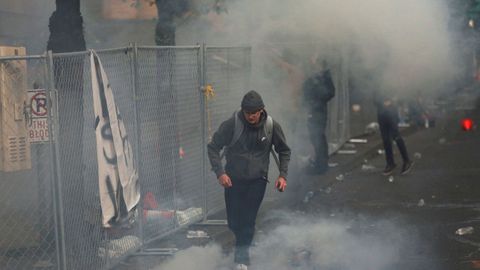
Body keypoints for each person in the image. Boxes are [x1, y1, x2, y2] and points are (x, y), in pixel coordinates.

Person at [207, 90, 291, 269]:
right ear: (242, 111)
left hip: (257, 180)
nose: (251, 117)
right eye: (247, 113)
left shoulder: (271, 126)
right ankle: (242, 245)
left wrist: (282, 175)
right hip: (233, 180)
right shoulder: (232, 124)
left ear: (261, 110)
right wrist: (220, 173)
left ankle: (242, 259)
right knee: (234, 222)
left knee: (248, 220)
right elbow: (213, 147)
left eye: (254, 113)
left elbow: (284, 150)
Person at [302, 59, 335, 174]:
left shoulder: (324, 77)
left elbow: (330, 93)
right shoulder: (313, 76)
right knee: (315, 137)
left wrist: (317, 100)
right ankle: (320, 163)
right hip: (313, 109)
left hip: (319, 111)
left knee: (318, 137)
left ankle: (321, 165)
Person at [374, 90, 414, 175]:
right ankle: (390, 163)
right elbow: (374, 96)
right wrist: (380, 102)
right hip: (381, 112)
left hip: (391, 111)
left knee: (396, 136)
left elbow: (398, 91)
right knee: (385, 139)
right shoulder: (376, 84)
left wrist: (391, 100)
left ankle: (406, 161)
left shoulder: (390, 81)